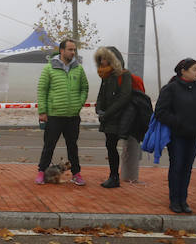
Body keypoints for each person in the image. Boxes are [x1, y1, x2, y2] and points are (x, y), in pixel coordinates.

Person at [154, 58, 196, 214]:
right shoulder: (171, 89)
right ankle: (174, 200)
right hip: (177, 136)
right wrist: (178, 122)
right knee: (177, 166)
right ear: (183, 70)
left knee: (187, 168)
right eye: (194, 69)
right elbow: (160, 112)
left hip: (195, 134)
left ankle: (183, 200)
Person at [36, 38, 89, 186]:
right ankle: (41, 172)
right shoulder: (49, 68)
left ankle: (76, 174)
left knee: (73, 147)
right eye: (70, 49)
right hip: (54, 115)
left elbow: (85, 88)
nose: (73, 52)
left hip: (72, 117)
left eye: (74, 50)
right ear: (62, 50)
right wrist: (42, 111)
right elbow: (42, 90)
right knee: (49, 146)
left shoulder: (78, 69)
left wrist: (79, 104)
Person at [94, 46, 133, 188]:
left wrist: (107, 113)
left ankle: (114, 177)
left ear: (112, 59)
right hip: (108, 118)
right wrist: (98, 109)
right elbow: (100, 95)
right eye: (101, 59)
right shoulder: (106, 76)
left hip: (119, 118)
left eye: (105, 58)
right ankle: (113, 176)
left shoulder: (124, 75)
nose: (102, 61)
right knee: (110, 146)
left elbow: (124, 98)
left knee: (111, 145)